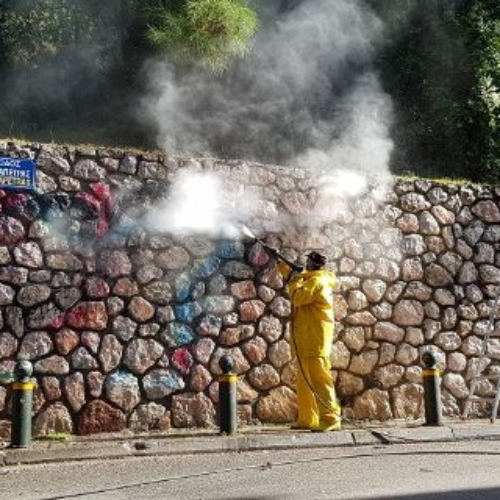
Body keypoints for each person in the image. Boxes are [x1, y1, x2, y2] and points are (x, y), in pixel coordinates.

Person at [277, 250, 341, 432]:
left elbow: (298, 297)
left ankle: (330, 419)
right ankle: (307, 418)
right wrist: (281, 265)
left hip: (316, 338)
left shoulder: (317, 282)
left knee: (320, 380)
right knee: (304, 381)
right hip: (307, 338)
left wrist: (295, 279)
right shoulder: (311, 278)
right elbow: (297, 277)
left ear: (312, 263)